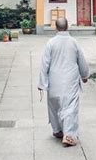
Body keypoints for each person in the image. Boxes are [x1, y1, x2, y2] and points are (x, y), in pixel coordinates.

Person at [38, 17, 89, 147]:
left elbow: (44, 64)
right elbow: (81, 61)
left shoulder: (51, 43)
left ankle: (57, 130)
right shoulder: (74, 42)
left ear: (56, 27)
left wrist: (42, 84)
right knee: (70, 107)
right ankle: (69, 135)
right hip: (70, 80)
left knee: (54, 106)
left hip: (54, 80)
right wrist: (84, 75)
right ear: (67, 27)